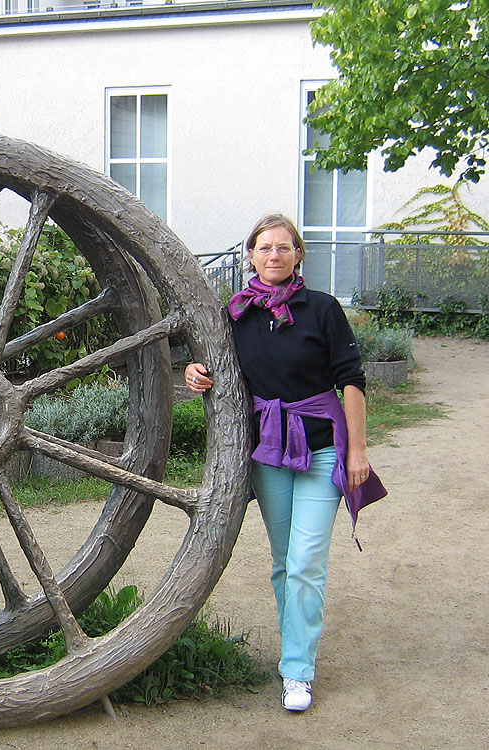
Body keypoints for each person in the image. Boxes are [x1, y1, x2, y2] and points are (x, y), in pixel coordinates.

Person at [185, 214, 384, 713]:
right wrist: (193, 372)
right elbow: (212, 365)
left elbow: (352, 382)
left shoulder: (322, 309)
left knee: (305, 563)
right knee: (283, 563)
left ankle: (297, 671)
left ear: (298, 255)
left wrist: (356, 451)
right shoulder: (236, 314)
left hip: (321, 450)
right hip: (269, 451)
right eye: (263, 248)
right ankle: (296, 649)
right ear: (250, 255)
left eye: (283, 248)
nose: (273, 256)